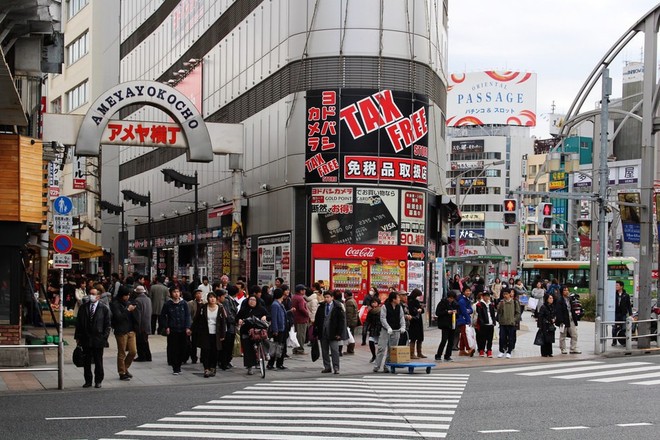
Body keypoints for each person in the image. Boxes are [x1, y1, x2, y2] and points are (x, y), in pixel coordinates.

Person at [74, 288, 111, 388]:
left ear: (98, 296)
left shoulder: (103, 308)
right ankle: (88, 380)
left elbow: (107, 325)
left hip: (98, 339)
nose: (91, 296)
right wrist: (77, 337)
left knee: (98, 361)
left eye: (93, 294)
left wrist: (104, 337)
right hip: (86, 338)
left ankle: (98, 380)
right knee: (86, 361)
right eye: (90, 294)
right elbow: (79, 324)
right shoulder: (83, 307)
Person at [192, 291, 227, 378]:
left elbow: (223, 323)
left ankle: (213, 367)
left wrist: (223, 335)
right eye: (210, 297)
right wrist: (191, 329)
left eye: (214, 297)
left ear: (216, 299)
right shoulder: (203, 308)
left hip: (216, 334)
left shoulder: (220, 308)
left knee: (214, 352)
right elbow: (196, 319)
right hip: (205, 333)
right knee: (205, 351)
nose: (212, 299)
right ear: (208, 299)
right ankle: (206, 369)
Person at [159, 287, 192, 375]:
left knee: (183, 348)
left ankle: (179, 363)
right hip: (173, 329)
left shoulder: (184, 303)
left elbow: (188, 316)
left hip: (183, 329)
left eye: (178, 292)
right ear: (170, 294)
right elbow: (162, 316)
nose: (176, 294)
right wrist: (166, 327)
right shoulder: (168, 304)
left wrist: (188, 327)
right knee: (173, 349)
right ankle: (175, 368)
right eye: (174, 292)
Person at [110, 286, 139, 381]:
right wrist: (127, 310)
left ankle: (125, 368)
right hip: (121, 331)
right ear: (122, 295)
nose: (128, 296)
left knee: (133, 351)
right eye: (127, 295)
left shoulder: (129, 303)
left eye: (129, 295)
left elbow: (135, 316)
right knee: (122, 352)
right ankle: (122, 372)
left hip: (131, 330)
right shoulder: (115, 304)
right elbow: (118, 318)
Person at [314, 290, 346, 374]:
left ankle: (336, 367)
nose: (326, 299)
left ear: (332, 298)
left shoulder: (337, 307)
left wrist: (339, 333)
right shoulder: (321, 306)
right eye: (325, 297)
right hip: (323, 331)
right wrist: (316, 331)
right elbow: (317, 319)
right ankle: (327, 367)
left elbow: (341, 321)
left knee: (334, 350)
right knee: (324, 351)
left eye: (328, 297)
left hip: (333, 332)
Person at [373, 291, 406, 373]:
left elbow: (401, 317)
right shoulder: (385, 307)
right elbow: (383, 318)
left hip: (396, 330)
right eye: (398, 298)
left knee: (392, 349)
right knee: (382, 348)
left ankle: (387, 365)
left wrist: (403, 327)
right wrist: (388, 327)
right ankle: (377, 365)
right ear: (393, 299)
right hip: (385, 330)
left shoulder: (399, 307)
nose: (399, 299)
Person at [236, 295, 269, 375]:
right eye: (250, 299)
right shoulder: (244, 310)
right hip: (246, 331)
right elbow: (237, 318)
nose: (252, 301)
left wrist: (265, 317)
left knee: (265, 341)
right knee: (247, 349)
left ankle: (265, 354)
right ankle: (249, 367)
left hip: (258, 331)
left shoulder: (261, 309)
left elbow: (268, 315)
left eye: (254, 300)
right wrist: (239, 320)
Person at [556, 285, 581, 354]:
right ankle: (563, 348)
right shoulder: (559, 300)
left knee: (574, 334)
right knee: (562, 335)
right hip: (563, 320)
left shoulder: (570, 299)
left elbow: (573, 309)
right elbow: (558, 311)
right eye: (564, 290)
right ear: (562, 291)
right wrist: (561, 321)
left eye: (567, 290)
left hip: (571, 319)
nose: (566, 292)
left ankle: (573, 348)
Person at [496, 288, 521, 358]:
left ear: (510, 294)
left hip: (511, 323)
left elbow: (518, 313)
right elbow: (499, 312)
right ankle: (501, 351)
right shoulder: (501, 302)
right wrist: (500, 306)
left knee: (510, 338)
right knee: (502, 338)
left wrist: (514, 319)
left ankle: (509, 351)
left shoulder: (514, 302)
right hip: (503, 323)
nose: (505, 295)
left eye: (506, 294)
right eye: (504, 294)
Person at [434, 291, 458, 362]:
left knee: (451, 341)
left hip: (452, 324)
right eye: (450, 298)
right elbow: (437, 313)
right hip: (445, 324)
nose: (451, 300)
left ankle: (448, 355)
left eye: (453, 298)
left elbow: (458, 314)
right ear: (447, 297)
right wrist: (447, 312)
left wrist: (456, 312)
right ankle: (438, 355)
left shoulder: (455, 304)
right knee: (444, 340)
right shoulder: (442, 303)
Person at [219, 285, 239, 370]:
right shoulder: (227, 301)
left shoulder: (230, 300)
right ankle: (224, 362)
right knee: (227, 346)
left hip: (231, 326)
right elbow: (228, 314)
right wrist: (235, 320)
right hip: (229, 326)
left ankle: (226, 361)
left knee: (229, 346)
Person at [267, 288, 288, 370]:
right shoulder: (275, 305)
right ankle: (271, 363)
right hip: (279, 329)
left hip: (282, 328)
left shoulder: (280, 304)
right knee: (276, 347)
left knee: (281, 346)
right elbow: (274, 318)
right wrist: (275, 330)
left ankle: (279, 363)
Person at [132, 284, 152, 362]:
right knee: (145, 341)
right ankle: (148, 356)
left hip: (141, 324)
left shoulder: (137, 301)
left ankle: (142, 356)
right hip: (147, 323)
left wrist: (137, 326)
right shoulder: (148, 299)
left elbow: (137, 315)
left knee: (140, 342)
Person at [475, 291, 496, 358]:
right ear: (482, 296)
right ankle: (482, 350)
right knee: (482, 338)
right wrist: (482, 323)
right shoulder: (479, 305)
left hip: (490, 324)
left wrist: (494, 322)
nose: (487, 297)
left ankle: (489, 351)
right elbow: (479, 315)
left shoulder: (491, 304)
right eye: (485, 296)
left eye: (488, 296)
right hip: (483, 324)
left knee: (490, 339)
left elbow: (493, 314)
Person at [291, 284, 310, 355]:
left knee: (296, 335)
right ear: (300, 291)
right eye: (303, 290)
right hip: (302, 319)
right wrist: (307, 314)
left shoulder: (294, 297)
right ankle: (300, 349)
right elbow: (301, 308)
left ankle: (296, 348)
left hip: (295, 318)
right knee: (301, 335)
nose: (305, 291)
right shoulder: (300, 298)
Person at [407, 288, 426, 359]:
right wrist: (417, 310)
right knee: (413, 338)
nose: (419, 297)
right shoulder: (410, 301)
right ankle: (411, 353)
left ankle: (419, 352)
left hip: (418, 320)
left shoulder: (416, 301)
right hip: (413, 321)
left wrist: (421, 309)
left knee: (420, 337)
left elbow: (422, 309)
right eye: (418, 295)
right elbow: (411, 310)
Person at [612, 280, 632, 346]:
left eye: (617, 285)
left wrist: (630, 314)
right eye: (615, 285)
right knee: (614, 328)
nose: (616, 286)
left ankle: (623, 342)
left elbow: (629, 305)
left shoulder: (626, 295)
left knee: (624, 328)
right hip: (616, 313)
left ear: (621, 286)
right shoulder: (613, 294)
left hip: (623, 314)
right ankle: (614, 342)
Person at [188, 289, 205, 364]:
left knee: (203, 343)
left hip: (202, 326)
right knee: (194, 343)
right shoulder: (191, 303)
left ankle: (202, 357)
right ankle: (193, 357)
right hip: (194, 325)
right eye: (197, 294)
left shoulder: (204, 303)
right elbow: (189, 315)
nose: (199, 295)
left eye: (200, 294)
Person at [456, 287, 474, 356]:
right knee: (465, 334)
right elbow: (464, 311)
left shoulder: (467, 300)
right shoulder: (461, 301)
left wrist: (468, 310)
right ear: (463, 292)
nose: (468, 292)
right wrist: (468, 320)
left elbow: (471, 310)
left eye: (469, 291)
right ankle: (469, 348)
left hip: (464, 319)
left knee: (463, 334)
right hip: (462, 319)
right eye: (467, 291)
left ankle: (461, 350)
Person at [537, 293, 556, 357]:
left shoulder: (552, 306)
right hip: (544, 325)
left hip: (550, 324)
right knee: (544, 339)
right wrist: (540, 326)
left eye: (552, 298)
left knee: (550, 339)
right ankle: (544, 353)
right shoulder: (543, 307)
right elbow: (540, 316)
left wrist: (554, 319)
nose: (551, 299)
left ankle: (549, 352)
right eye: (550, 298)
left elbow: (554, 314)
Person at [365, 297, 382, 363]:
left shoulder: (381, 310)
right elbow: (367, 321)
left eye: (375, 302)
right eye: (372, 302)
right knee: (371, 341)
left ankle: (379, 357)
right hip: (372, 329)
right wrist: (365, 329)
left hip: (380, 329)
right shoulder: (370, 312)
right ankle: (374, 355)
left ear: (378, 303)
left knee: (380, 345)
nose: (373, 304)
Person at [344, 290, 359, 354]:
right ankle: (350, 350)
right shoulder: (353, 300)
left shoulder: (349, 302)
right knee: (351, 335)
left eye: (344, 294)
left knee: (350, 336)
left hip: (351, 321)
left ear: (346, 294)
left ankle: (350, 350)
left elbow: (349, 314)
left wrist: (347, 322)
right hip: (353, 320)